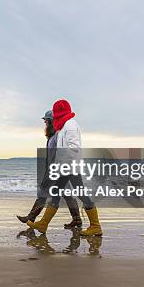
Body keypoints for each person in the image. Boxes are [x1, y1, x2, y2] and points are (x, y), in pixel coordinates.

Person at [27, 99, 104, 236]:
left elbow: (73, 148)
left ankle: (95, 226)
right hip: (67, 166)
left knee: (80, 194)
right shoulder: (64, 126)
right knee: (58, 194)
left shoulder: (70, 125)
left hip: (70, 167)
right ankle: (43, 224)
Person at [16, 110, 82, 229]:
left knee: (43, 193)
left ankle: (31, 217)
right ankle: (77, 219)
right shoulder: (52, 136)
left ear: (52, 121)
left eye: (46, 120)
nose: (45, 122)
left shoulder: (58, 135)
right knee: (67, 194)